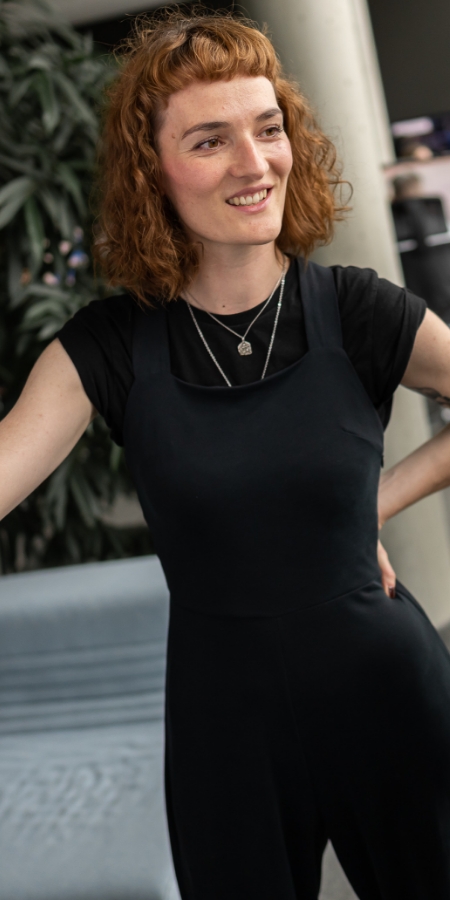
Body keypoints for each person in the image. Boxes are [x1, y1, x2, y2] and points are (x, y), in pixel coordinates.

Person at [2, 10, 450, 898]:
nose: (255, 163)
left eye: (268, 128)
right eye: (210, 140)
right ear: (151, 172)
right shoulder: (109, 347)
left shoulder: (357, 310)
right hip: (225, 728)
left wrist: (374, 502)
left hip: (387, 692)